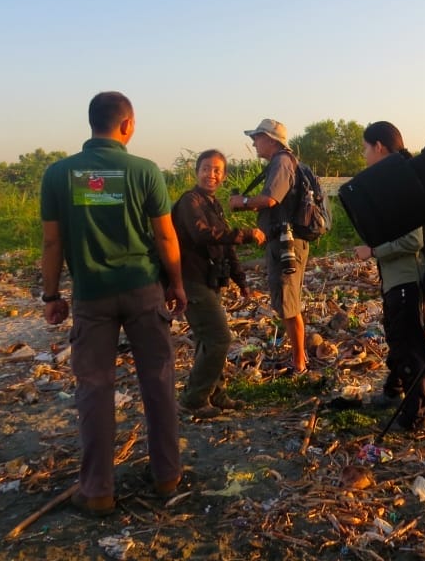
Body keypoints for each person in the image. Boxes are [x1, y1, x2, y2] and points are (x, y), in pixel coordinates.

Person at [40, 91, 187, 517]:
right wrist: (175, 284)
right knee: (158, 382)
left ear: (92, 124)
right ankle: (167, 476)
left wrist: (52, 295)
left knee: (95, 389)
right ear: (127, 124)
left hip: (91, 296)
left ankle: (98, 490)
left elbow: (52, 241)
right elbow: (164, 236)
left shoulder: (58, 174)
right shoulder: (145, 171)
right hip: (143, 290)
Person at [353, 121, 425, 432]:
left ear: (379, 146)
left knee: (410, 348)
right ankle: (394, 390)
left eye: (365, 148)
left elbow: (412, 241)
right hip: (399, 281)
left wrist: (373, 251)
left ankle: (418, 416)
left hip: (407, 281)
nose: (364, 155)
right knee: (401, 342)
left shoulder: (400, 182)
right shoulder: (398, 178)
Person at [173, 149, 265, 418]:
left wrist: (240, 279)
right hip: (192, 280)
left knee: (207, 340)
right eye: (206, 168)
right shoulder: (189, 201)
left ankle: (215, 393)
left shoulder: (212, 203)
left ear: (223, 176)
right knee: (219, 339)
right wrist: (247, 234)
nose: (210, 174)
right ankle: (193, 400)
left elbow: (224, 245)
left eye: (216, 170)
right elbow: (203, 235)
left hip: (210, 279)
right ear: (196, 171)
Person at [229, 119, 309, 375]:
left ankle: (299, 364)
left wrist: (241, 201)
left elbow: (270, 199)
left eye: (257, 138)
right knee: (286, 301)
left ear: (271, 139)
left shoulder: (282, 162)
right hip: (281, 241)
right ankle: (298, 357)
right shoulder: (281, 162)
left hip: (286, 243)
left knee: (288, 302)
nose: (253, 143)